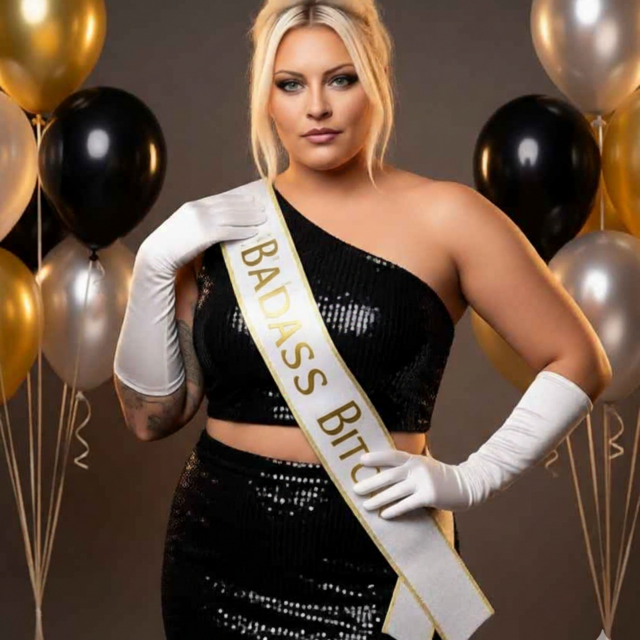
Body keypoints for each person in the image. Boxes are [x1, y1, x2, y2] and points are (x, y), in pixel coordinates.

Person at [112, 1, 612, 639]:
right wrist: (154, 264)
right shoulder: (220, 228)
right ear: (266, 99)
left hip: (379, 557)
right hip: (215, 554)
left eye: (340, 79)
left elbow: (579, 358)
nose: (317, 107)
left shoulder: (448, 217)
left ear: (375, 81)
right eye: (291, 84)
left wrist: (472, 479)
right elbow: (151, 418)